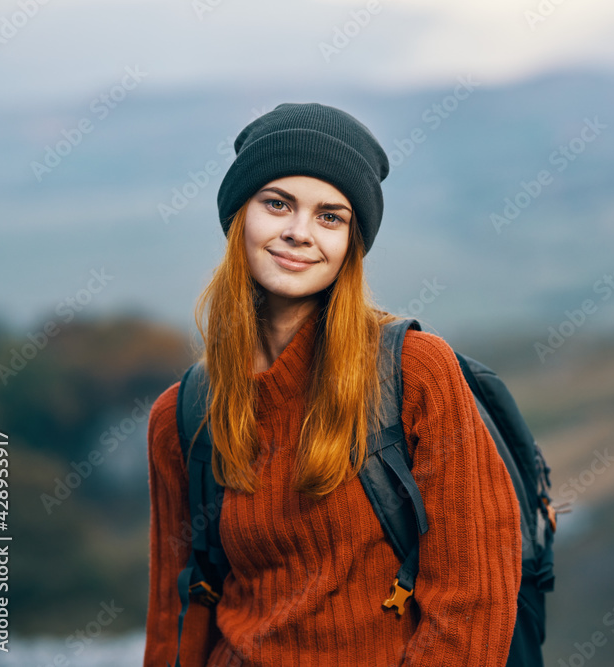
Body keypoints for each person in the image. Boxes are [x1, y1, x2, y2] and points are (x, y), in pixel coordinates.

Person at [144, 103, 523, 666]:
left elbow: (473, 605)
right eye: (277, 204)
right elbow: (177, 615)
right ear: (238, 218)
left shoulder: (414, 374)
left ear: (352, 243)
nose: (299, 233)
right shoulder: (183, 414)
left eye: (330, 216)